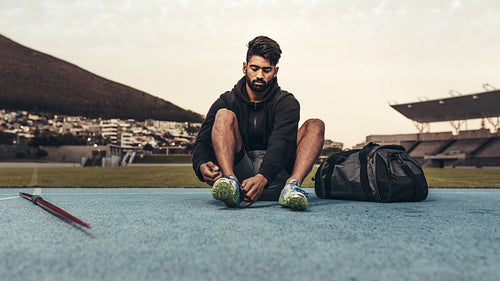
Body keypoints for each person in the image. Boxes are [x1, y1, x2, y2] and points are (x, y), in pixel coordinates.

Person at [192, 36, 325, 211]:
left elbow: (281, 142)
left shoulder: (286, 102)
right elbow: (202, 142)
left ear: (275, 71)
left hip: (277, 176)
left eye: (266, 70)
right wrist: (202, 165)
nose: (260, 75)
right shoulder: (226, 100)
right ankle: (230, 184)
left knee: (316, 125)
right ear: (244, 67)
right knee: (223, 115)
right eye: (254, 68)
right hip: (241, 178)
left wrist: (263, 177)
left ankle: (292, 187)